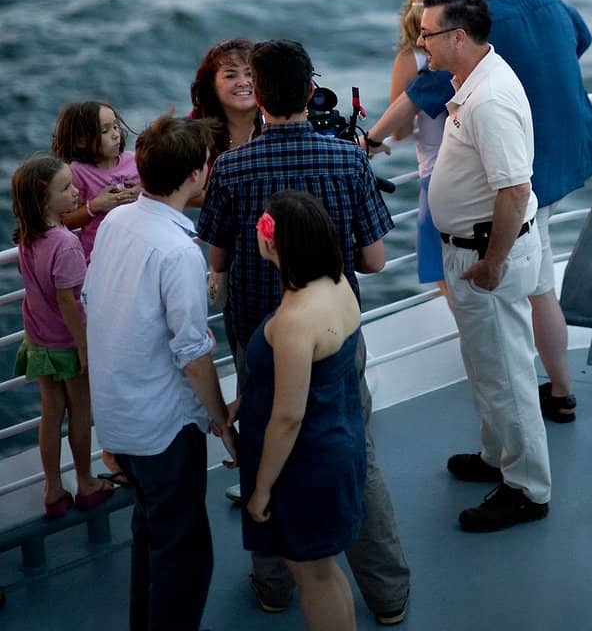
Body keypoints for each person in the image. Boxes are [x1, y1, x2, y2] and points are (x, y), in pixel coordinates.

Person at [197, 39, 410, 625]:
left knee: (267, 448)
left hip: (262, 339)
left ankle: (273, 584)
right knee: (357, 454)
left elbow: (213, 255)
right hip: (338, 332)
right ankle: (388, 594)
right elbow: (373, 261)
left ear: (258, 97)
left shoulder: (233, 167)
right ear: (310, 90)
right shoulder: (347, 159)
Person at [84, 113, 237, 631]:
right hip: (164, 428)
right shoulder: (178, 251)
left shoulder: (115, 222)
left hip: (120, 417)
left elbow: (92, 302)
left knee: (149, 535)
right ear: (198, 173)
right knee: (186, 557)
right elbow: (193, 354)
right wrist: (223, 423)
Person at [419, 0, 550, 532]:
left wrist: (493, 263)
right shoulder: (473, 85)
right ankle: (498, 454)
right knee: (487, 365)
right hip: (471, 251)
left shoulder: (489, 100)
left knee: (507, 374)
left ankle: (527, 487)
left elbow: (513, 189)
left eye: (427, 33)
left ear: (457, 37)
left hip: (484, 257)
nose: (419, 41)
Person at [465, 0, 592, 423]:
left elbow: (435, 87)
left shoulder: (483, 22)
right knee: (540, 281)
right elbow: (581, 39)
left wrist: (374, 137)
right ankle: (558, 389)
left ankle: (552, 395)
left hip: (528, 168)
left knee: (534, 287)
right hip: (570, 152)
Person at [237, 191, 366, 631]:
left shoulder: (295, 320)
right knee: (327, 571)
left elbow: (288, 417)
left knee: (312, 575)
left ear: (275, 242)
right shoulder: (339, 283)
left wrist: (261, 491)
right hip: (339, 443)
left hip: (305, 465)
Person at [11, 154, 115, 519]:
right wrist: (85, 346)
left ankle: (53, 489)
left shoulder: (28, 237)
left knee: (51, 413)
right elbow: (68, 300)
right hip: (68, 344)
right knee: (80, 411)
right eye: (66, 188)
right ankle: (85, 482)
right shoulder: (65, 243)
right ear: (44, 200)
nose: (75, 193)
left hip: (39, 339)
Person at [363, 0, 454, 290]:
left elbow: (398, 131)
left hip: (435, 170)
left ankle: (469, 334)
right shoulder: (458, 52)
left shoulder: (410, 59)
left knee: (441, 267)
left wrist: (379, 139)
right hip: (468, 166)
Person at [51, 99, 141, 262]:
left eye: (115, 126)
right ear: (81, 141)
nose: (115, 134)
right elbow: (62, 221)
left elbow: (163, 194)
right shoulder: (76, 172)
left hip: (136, 254)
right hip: (99, 260)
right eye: (105, 131)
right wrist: (95, 206)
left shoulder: (135, 161)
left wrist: (143, 193)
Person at [188, 38, 262, 207]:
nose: (243, 82)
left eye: (250, 74)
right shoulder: (193, 129)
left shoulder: (279, 122)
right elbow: (172, 190)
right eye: (231, 75)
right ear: (211, 85)